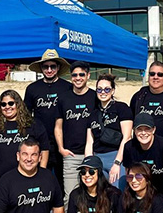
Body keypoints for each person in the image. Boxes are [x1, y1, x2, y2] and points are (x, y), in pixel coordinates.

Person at [0, 90, 50, 187]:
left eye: (11, 103)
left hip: (28, 178)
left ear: (18, 104)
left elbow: (44, 148)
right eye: (3, 104)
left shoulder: (33, 124)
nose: (7, 107)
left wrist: (42, 172)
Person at [24, 49, 72, 189]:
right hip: (39, 141)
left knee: (62, 182)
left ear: (58, 68)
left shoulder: (67, 87)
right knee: (39, 179)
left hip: (63, 142)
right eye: (46, 66)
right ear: (41, 68)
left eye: (53, 66)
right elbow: (26, 115)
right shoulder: (32, 89)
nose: (49, 70)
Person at [54, 61, 97, 202]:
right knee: (70, 197)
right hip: (71, 156)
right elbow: (58, 126)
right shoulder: (63, 98)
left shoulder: (95, 97)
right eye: (74, 75)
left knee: (93, 195)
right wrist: (61, 148)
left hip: (92, 154)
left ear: (88, 76)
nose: (78, 78)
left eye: (81, 74)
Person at [121, 113, 163, 199]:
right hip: (141, 193)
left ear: (153, 130)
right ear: (134, 131)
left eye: (147, 129)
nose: (143, 133)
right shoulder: (129, 147)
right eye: (139, 129)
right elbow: (129, 173)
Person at [90, 73, 133, 184]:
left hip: (116, 156)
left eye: (107, 89)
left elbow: (127, 137)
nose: (103, 92)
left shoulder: (122, 108)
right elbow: (89, 141)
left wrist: (117, 163)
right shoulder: (93, 113)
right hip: (98, 158)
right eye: (99, 90)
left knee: (118, 193)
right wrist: (89, 163)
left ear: (113, 90)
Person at [129, 61, 163, 141]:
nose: (155, 77)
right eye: (152, 74)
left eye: (160, 74)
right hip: (142, 146)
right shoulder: (139, 97)